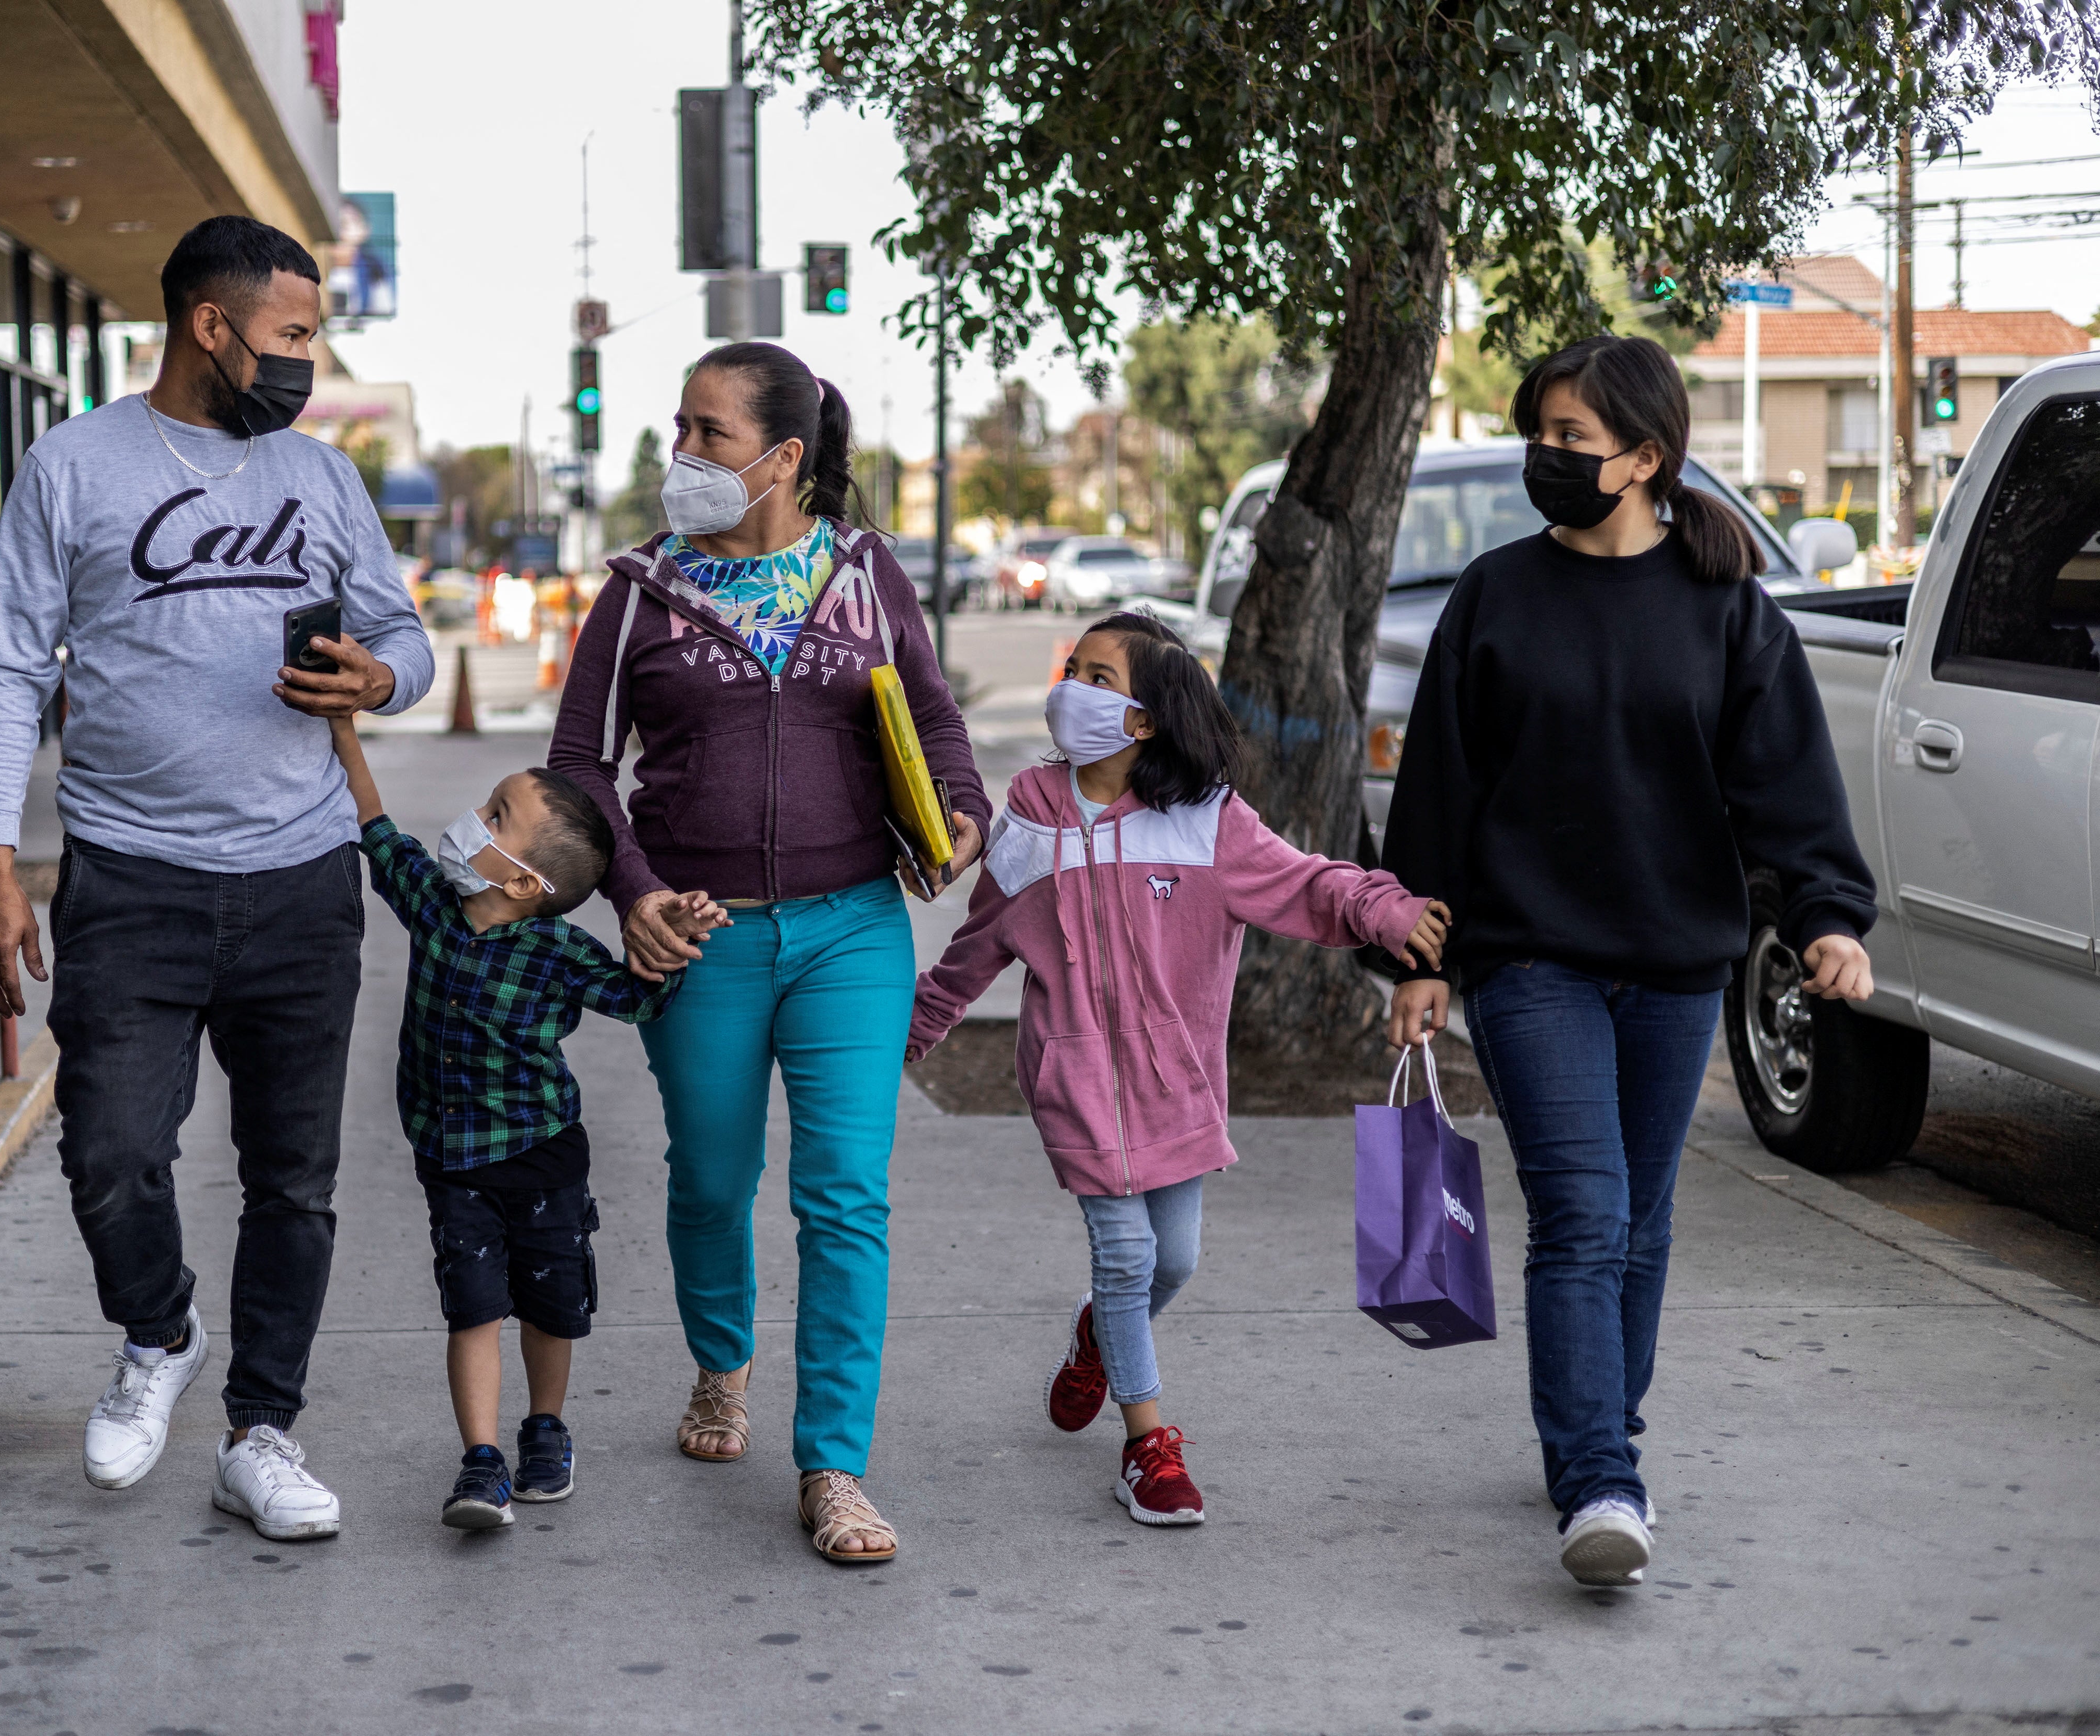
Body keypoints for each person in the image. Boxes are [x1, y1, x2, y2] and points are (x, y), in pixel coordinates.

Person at [0, 216, 434, 1541]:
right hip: (130, 878)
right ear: (209, 327)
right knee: (112, 1154)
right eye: (290, 336)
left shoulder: (325, 477)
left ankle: (261, 1431)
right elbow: (9, 671)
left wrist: (385, 675)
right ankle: (157, 1335)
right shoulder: (72, 467)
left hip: (299, 880)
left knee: (295, 1177)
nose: (306, 361)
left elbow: (404, 631)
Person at [1381, 334, 1877, 1588]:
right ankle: (1600, 1478)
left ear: (1646, 458)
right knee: (1585, 1217)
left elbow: (1786, 790)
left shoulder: (1725, 611)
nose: (1542, 459)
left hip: (1672, 964)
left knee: (1642, 1225)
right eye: (1538, 435)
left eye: (1568, 441)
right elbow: (1441, 787)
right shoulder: (1495, 596)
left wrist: (1827, 918)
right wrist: (1417, 949)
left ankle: (1598, 1430)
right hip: (1528, 961)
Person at [545, 341, 988, 1565]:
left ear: (784, 460)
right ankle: (720, 1366)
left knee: (844, 1197)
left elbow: (937, 720)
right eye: (677, 428)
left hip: (853, 929)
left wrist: (963, 813)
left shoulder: (865, 572)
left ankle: (835, 1466)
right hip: (704, 937)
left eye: (707, 433)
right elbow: (578, 761)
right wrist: (630, 892)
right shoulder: (638, 588)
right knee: (709, 1181)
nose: (679, 453)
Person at [909, 614, 1449, 1525]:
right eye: (1070, 667)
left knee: (1175, 1263)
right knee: (1126, 1257)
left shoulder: (1208, 823)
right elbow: (978, 946)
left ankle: (1096, 1341)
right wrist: (902, 1033)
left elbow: (1309, 882)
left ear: (1144, 720)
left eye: (1099, 675)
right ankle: (1147, 1445)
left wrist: (1383, 910)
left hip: (1178, 1083)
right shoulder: (1030, 818)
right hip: (1075, 1080)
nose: (1070, 686)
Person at [323, 714, 723, 1530]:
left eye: (496, 816)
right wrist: (343, 732)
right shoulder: (434, 906)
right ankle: (480, 1461)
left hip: (544, 1158)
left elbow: (635, 996)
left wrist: (676, 940)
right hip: (452, 1160)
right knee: (470, 1308)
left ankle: (546, 1428)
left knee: (551, 1307)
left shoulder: (559, 952)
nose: (477, 817)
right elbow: (376, 829)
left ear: (523, 884)